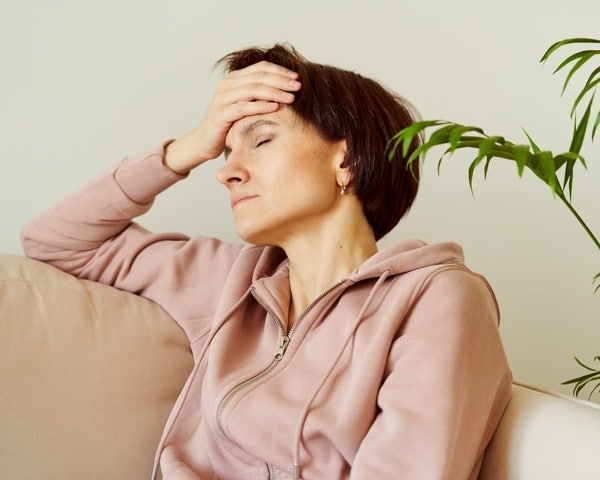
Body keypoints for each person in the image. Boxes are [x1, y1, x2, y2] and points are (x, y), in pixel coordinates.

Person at [21, 43, 512, 479]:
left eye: (261, 140)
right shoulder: (227, 282)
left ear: (347, 161)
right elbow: (54, 240)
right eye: (224, 152)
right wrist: (189, 147)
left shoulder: (436, 300)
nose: (227, 171)